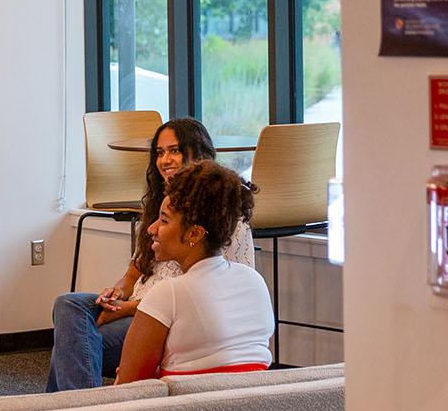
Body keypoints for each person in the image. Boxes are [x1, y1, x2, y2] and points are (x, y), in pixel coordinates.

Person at [46, 117, 257, 392]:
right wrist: (119, 292)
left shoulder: (222, 214)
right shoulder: (161, 204)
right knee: (69, 306)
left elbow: (215, 291)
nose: (165, 160)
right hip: (136, 305)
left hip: (164, 317)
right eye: (160, 152)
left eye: (174, 150)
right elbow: (136, 268)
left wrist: (131, 308)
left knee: (72, 343)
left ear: (197, 152)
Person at [113, 161, 276, 384]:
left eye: (164, 220)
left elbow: (128, 390)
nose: (151, 229)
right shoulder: (254, 281)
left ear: (194, 234)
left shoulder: (168, 293)